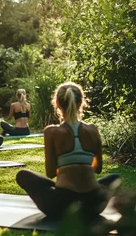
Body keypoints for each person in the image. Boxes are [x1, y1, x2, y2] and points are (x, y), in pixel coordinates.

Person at [16, 82, 120, 220]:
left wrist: (67, 165)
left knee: (23, 175)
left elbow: (51, 172)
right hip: (93, 203)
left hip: (62, 204)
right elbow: (97, 168)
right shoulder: (93, 130)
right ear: (81, 103)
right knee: (115, 178)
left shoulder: (51, 131)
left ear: (58, 104)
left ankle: (64, 190)